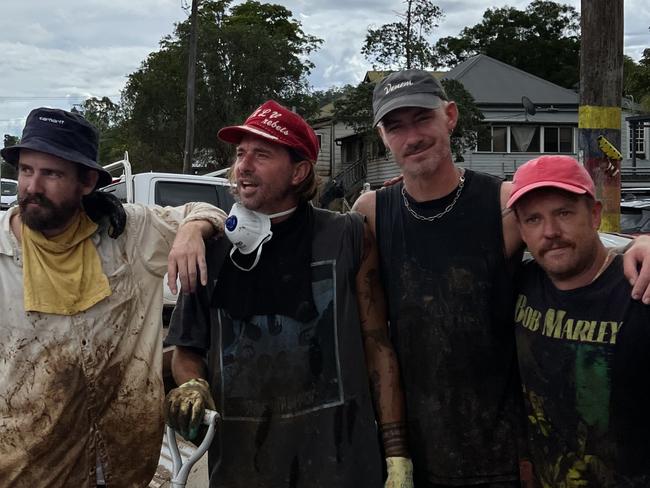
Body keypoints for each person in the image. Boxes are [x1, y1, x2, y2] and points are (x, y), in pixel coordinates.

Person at [353, 69, 650, 487]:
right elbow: (374, 337)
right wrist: (395, 449)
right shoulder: (371, 213)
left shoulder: (504, 202)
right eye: (395, 127)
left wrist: (640, 246)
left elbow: (573, 245)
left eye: (422, 119)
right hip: (419, 442)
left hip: (507, 450)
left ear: (450, 117)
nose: (412, 137)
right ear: (383, 136)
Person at [164, 100, 411, 487]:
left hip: (342, 466)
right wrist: (192, 385)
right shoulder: (210, 251)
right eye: (240, 153)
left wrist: (397, 455)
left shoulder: (347, 237)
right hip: (244, 470)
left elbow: (377, 346)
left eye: (261, 154)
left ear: (299, 171)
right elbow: (186, 351)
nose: (243, 165)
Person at [0, 107, 227, 487]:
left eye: (51, 174)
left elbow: (210, 210)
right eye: (26, 170)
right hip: (27, 468)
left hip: (123, 464)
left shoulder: (128, 235)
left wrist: (191, 230)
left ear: (87, 182)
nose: (32, 187)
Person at [508, 155, 650, 487]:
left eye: (564, 213)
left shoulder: (638, 290)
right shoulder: (518, 285)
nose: (550, 232)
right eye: (533, 219)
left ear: (595, 214)